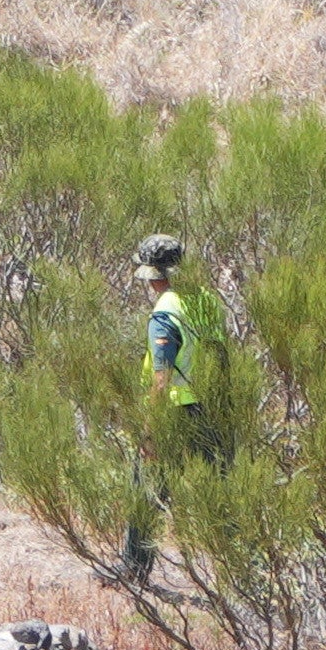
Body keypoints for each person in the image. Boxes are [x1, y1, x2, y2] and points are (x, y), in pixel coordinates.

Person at [121, 233, 226, 582]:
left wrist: (151, 431)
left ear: (152, 275)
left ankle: (135, 569)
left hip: (175, 411)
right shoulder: (207, 300)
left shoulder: (165, 310)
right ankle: (238, 574)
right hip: (210, 409)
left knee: (147, 490)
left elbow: (161, 378)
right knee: (219, 492)